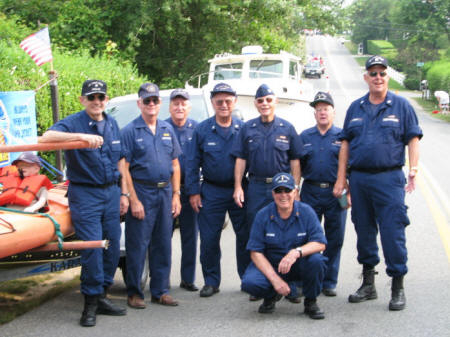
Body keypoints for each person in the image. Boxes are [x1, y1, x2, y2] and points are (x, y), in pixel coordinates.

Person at [333, 55, 423, 311]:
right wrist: (341, 179)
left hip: (389, 178)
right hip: (359, 178)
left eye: (382, 73)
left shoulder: (401, 106)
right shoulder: (355, 107)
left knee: (393, 232)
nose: (378, 77)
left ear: (388, 76)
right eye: (373, 73)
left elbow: (413, 138)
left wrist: (413, 168)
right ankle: (368, 284)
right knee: (363, 231)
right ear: (366, 78)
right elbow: (345, 144)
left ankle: (397, 287)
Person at [40, 80, 128, 327]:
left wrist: (124, 194)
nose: (97, 101)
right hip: (85, 194)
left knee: (111, 247)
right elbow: (47, 137)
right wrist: (79, 137)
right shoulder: (73, 122)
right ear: (83, 100)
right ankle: (89, 302)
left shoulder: (112, 123)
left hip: (111, 193)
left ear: (106, 100)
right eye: (92, 98)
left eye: (101, 97)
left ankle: (102, 295)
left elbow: (120, 160)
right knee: (92, 248)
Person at [232, 83, 302, 302]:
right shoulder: (247, 128)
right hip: (256, 187)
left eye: (268, 100)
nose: (264, 104)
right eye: (260, 100)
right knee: (256, 234)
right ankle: (258, 284)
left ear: (275, 101)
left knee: (287, 233)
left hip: (282, 189)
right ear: (256, 104)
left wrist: (296, 189)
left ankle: (290, 283)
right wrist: (237, 187)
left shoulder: (287, 128)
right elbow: (240, 159)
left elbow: (295, 161)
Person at [121, 82, 182, 309]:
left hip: (165, 191)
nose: (151, 104)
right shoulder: (129, 131)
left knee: (163, 243)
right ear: (140, 104)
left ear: (160, 103)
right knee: (138, 245)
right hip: (142, 192)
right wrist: (132, 198)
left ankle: (161, 291)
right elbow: (124, 168)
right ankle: (135, 293)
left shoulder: (167, 129)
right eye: (147, 100)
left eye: (155, 100)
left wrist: (176, 195)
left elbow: (175, 165)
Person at [185, 82, 248, 297]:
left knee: (245, 237)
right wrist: (193, 192)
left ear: (234, 102)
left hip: (239, 190)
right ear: (212, 102)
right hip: (211, 191)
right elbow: (192, 163)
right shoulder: (202, 129)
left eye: (228, 101)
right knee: (210, 238)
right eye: (219, 101)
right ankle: (211, 281)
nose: (223, 105)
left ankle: (248, 279)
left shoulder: (243, 128)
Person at [241, 172, 327, 319]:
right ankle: (271, 295)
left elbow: (320, 243)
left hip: (298, 264)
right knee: (249, 283)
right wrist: (275, 280)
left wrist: (296, 252)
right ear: (272, 193)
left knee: (317, 261)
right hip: (272, 264)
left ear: (295, 192)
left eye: (287, 190)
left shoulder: (306, 212)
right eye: (279, 191)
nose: (283, 195)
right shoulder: (263, 215)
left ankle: (310, 301)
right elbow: (255, 252)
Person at [298, 92, 348, 297]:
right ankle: (306, 279)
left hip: (336, 193)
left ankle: (329, 281)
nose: (322, 113)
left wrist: (348, 191)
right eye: (318, 109)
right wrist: (295, 191)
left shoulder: (343, 137)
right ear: (314, 113)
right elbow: (297, 166)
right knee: (307, 236)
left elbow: (350, 166)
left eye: (325, 108)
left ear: (333, 112)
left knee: (335, 237)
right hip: (310, 190)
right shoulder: (305, 136)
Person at [165, 89, 199, 292]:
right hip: (167, 192)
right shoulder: (162, 127)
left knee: (190, 237)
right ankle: (161, 279)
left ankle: (188, 279)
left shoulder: (197, 128)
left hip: (191, 190)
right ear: (170, 107)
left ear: (189, 106)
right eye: (175, 104)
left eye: (183, 103)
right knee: (162, 237)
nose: (179, 107)